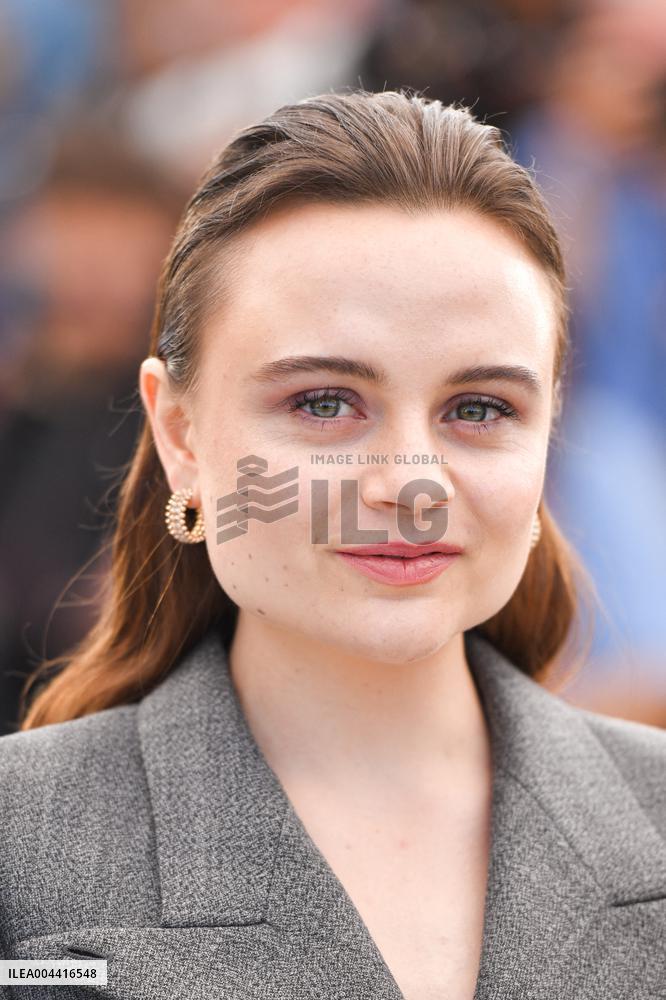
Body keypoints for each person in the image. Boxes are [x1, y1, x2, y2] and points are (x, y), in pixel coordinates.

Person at [0, 90, 664, 1000]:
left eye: (480, 408)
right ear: (181, 436)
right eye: (323, 403)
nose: (412, 484)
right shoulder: (21, 851)